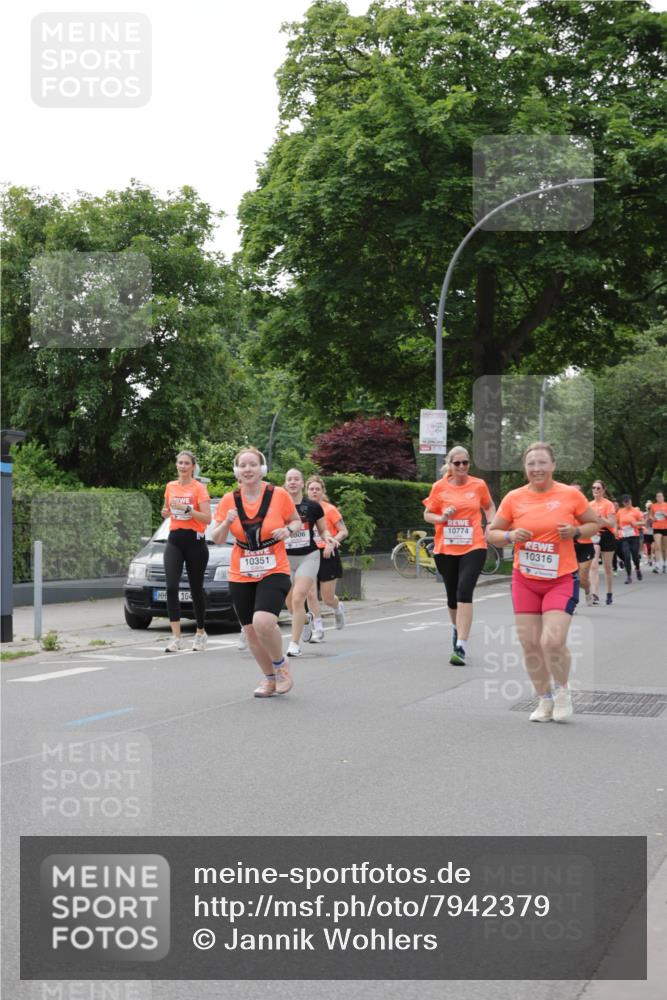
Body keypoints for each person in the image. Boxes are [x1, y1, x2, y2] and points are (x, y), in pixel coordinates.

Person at [486, 442, 599, 723]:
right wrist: (510, 537)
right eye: (531, 464)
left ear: (553, 466)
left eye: (542, 463)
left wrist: (574, 531)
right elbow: (493, 533)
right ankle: (544, 699)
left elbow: (594, 524)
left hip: (560, 578)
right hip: (525, 579)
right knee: (529, 643)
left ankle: (562, 692)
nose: (536, 468)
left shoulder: (570, 495)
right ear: (525, 468)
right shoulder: (514, 498)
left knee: (552, 640)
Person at [211, 448, 300, 697]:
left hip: (274, 567)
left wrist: (287, 531)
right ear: (236, 471)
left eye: (252, 464)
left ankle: (281, 666)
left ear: (262, 469)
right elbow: (217, 539)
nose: (247, 469)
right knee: (250, 629)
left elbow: (295, 521)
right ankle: (269, 678)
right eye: (242, 465)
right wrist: (227, 522)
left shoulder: (278, 495)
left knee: (264, 621)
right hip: (241, 571)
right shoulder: (229, 499)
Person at [423, 446, 496, 665]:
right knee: (452, 597)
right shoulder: (439, 487)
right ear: (450, 465)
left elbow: (489, 505)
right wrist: (441, 517)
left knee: (465, 591)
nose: (462, 466)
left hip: (473, 546)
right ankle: (457, 629)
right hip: (446, 548)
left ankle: (461, 645)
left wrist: (491, 524)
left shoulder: (478, 485)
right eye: (457, 463)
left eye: (465, 463)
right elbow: (427, 514)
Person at [282, 468, 338, 657]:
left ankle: (294, 644)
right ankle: (304, 620)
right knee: (289, 602)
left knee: (299, 597)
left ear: (302, 483)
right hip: (284, 557)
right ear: (285, 482)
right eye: (289, 479)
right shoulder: (277, 505)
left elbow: (323, 531)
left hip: (309, 556)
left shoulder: (313, 506)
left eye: (296, 479)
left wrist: (328, 538)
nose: (292, 482)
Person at [160, 450, 212, 652]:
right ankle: (176, 637)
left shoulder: (199, 488)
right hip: (174, 540)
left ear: (193, 466)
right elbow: (167, 510)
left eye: (186, 463)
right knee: (171, 586)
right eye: (179, 463)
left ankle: (200, 632)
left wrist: (188, 510)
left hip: (195, 542)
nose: (182, 466)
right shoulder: (170, 486)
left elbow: (207, 518)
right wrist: (166, 512)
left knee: (195, 588)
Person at [304, 475, 348, 641]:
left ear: (322, 491)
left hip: (328, 554)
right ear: (307, 491)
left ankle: (338, 608)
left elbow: (343, 531)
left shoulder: (329, 509)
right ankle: (318, 628)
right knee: (310, 594)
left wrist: (333, 542)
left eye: (317, 489)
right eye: (311, 489)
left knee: (327, 598)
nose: (314, 492)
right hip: (309, 554)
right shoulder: (302, 509)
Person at [588, 480, 617, 606]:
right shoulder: (589, 505)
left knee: (607, 567)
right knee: (593, 565)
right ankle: (594, 594)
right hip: (594, 534)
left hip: (607, 534)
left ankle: (609, 593)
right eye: (593, 487)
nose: (595, 490)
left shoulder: (608, 504)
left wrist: (601, 519)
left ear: (603, 490)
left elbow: (611, 523)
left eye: (598, 488)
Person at [570, 483, 596, 605]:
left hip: (585, 544)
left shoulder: (587, 508)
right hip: (569, 546)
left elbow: (594, 523)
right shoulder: (564, 507)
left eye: (577, 491)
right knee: (570, 577)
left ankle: (587, 590)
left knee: (582, 577)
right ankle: (572, 603)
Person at [616, 495, 644, 584]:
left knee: (635, 557)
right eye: (625, 502)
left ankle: (638, 569)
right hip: (624, 538)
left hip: (634, 537)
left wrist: (635, 523)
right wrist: (617, 530)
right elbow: (616, 524)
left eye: (628, 501)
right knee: (627, 557)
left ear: (631, 501)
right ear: (623, 503)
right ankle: (628, 576)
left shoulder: (636, 511)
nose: (627, 503)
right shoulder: (620, 512)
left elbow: (643, 522)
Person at [651, 490, 667, 573]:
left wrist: (665, 514)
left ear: (663, 497)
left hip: (665, 527)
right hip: (656, 527)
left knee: (665, 547)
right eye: (657, 496)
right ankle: (658, 564)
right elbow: (650, 515)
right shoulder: (653, 506)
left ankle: (665, 564)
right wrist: (652, 518)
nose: (659, 498)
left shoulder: (666, 505)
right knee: (657, 546)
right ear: (656, 498)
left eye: (660, 496)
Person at [643, 502, 654, 567]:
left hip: (653, 532)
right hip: (647, 532)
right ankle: (649, 559)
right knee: (648, 547)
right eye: (648, 507)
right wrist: (647, 518)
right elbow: (644, 523)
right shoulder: (644, 514)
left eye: (650, 507)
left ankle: (652, 559)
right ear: (646, 508)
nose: (649, 508)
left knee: (653, 547)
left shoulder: (654, 514)